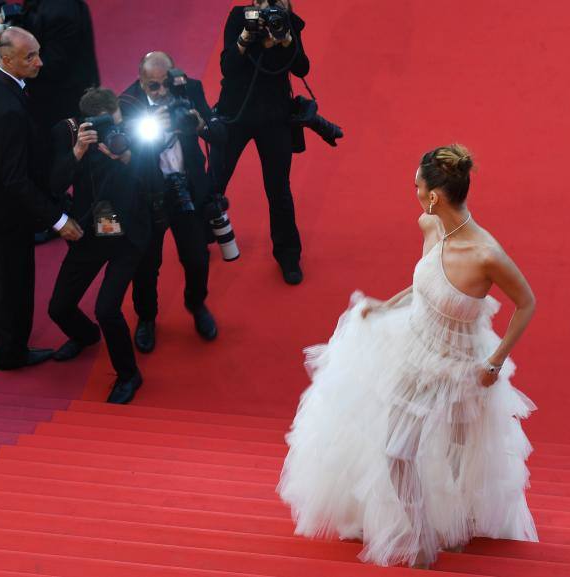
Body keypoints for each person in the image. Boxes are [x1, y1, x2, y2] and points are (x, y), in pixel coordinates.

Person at [277, 144, 538, 568]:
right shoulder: (430, 226)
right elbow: (426, 284)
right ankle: (419, 537)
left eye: (416, 185)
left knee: (457, 454)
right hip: (415, 353)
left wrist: (495, 362)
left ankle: (455, 527)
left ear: (434, 194)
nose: (413, 192)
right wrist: (386, 306)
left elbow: (526, 303)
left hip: (463, 367)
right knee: (398, 451)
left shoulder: (486, 254)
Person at [0, 26, 83, 370]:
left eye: (38, 52)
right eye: (31, 57)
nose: (40, 62)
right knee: (16, 280)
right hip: (7, 209)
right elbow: (16, 179)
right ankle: (11, 352)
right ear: (8, 59)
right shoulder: (9, 111)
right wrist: (58, 221)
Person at [47, 87, 150, 404]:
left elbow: (154, 182)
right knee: (59, 308)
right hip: (91, 232)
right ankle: (85, 336)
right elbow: (53, 185)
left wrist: (129, 157)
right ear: (87, 123)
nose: (113, 131)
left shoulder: (136, 134)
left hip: (127, 236)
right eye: (105, 125)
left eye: (116, 121)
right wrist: (78, 151)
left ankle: (129, 375)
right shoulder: (77, 139)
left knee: (106, 309)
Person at [120, 51, 218, 353]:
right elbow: (124, 158)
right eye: (153, 87)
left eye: (166, 85)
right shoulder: (127, 104)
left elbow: (220, 133)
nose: (162, 93)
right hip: (148, 195)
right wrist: (155, 128)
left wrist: (201, 125)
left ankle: (196, 303)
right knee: (147, 265)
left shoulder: (189, 89)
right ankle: (147, 318)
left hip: (186, 188)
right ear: (141, 81)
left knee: (197, 258)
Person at [214, 0, 309, 285]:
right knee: (215, 180)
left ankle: (288, 255)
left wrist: (286, 40)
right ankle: (200, 235)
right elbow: (228, 68)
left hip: (273, 117)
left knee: (279, 189)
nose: (271, 5)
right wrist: (246, 37)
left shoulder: (287, 21)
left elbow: (303, 69)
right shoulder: (239, 17)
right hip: (236, 113)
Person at [21, 0, 99, 131]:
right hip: (64, 86)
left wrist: (16, 59)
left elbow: (52, 64)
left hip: (61, 97)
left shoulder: (61, 13)